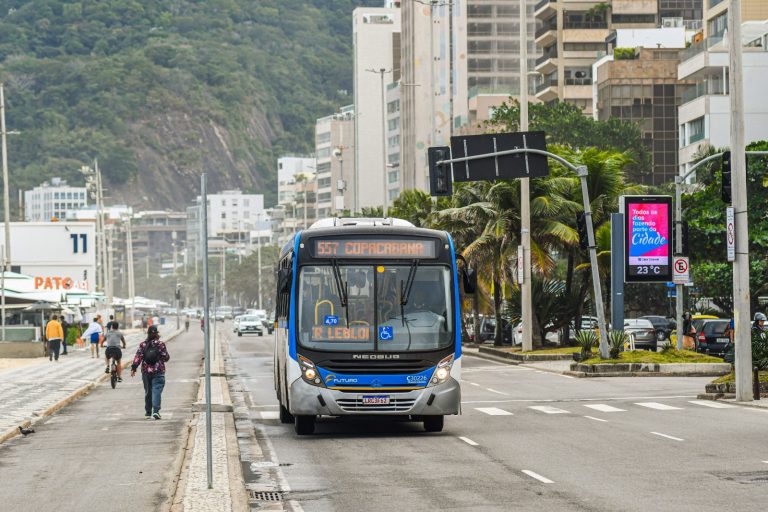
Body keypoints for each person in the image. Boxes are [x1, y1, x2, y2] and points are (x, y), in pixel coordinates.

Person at [130, 325, 170, 420]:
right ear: (157, 333)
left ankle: (148, 412)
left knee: (148, 391)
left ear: (148, 334)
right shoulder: (160, 344)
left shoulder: (143, 345)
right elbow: (165, 357)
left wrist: (134, 368)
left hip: (146, 371)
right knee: (156, 390)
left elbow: (138, 357)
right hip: (158, 370)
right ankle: (156, 411)